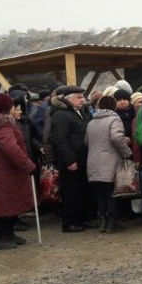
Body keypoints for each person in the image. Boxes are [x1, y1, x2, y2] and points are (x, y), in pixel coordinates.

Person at [0, 93, 36, 250]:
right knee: (2, 203)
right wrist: (26, 164)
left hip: (3, 168)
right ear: (7, 107)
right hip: (4, 169)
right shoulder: (3, 124)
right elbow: (9, 147)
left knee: (8, 203)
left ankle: (8, 233)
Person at [85, 96, 133, 233]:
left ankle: (102, 221)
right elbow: (116, 138)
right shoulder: (114, 119)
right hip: (110, 161)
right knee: (111, 192)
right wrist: (126, 152)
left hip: (93, 161)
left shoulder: (91, 122)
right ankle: (111, 223)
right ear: (113, 106)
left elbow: (86, 142)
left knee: (100, 193)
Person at [50, 85, 94, 233]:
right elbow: (60, 140)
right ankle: (70, 222)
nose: (83, 100)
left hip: (82, 158)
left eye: (83, 97)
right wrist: (69, 160)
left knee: (82, 190)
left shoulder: (80, 112)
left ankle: (81, 218)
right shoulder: (61, 115)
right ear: (68, 99)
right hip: (71, 161)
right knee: (71, 192)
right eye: (79, 97)